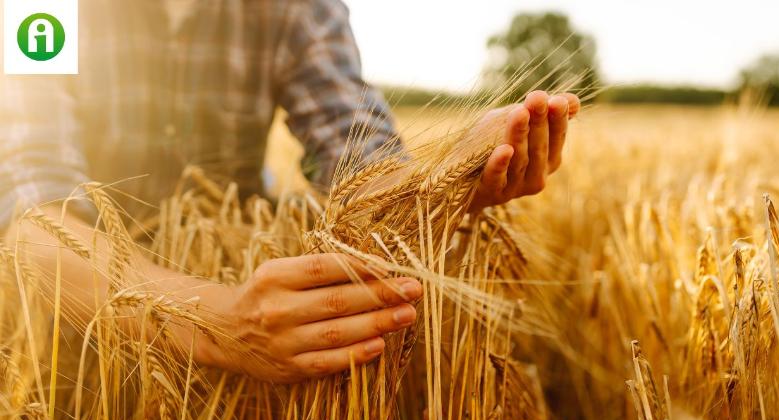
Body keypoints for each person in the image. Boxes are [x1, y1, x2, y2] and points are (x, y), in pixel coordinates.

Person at [0, 0, 579, 384]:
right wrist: (216, 322)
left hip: (228, 288)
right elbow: (28, 217)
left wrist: (448, 180)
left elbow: (358, 156)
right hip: (68, 327)